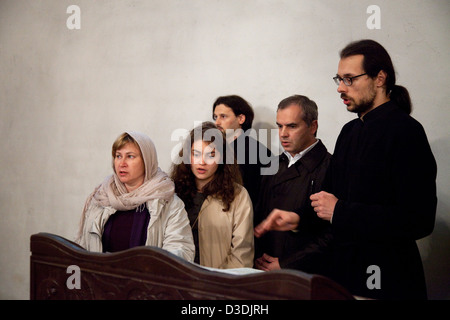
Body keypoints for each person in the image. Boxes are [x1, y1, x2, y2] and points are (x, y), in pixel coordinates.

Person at [255, 39, 437, 300]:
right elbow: (330, 198)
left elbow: (419, 219)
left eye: (349, 79)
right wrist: (299, 218)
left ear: (380, 78)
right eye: (338, 79)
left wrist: (341, 211)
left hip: (388, 279)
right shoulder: (349, 131)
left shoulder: (406, 131)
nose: (340, 88)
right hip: (343, 278)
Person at [75, 131, 195, 262]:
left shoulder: (168, 202)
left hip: (147, 281)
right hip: (101, 280)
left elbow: (181, 250)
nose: (122, 163)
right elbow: (83, 246)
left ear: (147, 161)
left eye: (130, 156)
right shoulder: (101, 197)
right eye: (118, 156)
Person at [253, 95, 332, 275]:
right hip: (263, 269)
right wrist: (257, 255)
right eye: (279, 126)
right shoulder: (271, 164)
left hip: (303, 275)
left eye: (292, 126)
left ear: (313, 126)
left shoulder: (331, 167)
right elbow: (259, 216)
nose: (283, 133)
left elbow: (331, 234)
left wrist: (287, 264)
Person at [170, 121, 254, 269]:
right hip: (177, 278)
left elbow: (242, 253)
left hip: (218, 283)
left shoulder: (238, 195)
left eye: (211, 155)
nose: (202, 162)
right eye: (196, 154)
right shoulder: (172, 190)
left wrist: (221, 283)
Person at [212, 95, 272, 207]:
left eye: (223, 116)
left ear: (241, 119)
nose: (217, 123)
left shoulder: (258, 152)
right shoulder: (214, 149)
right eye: (215, 117)